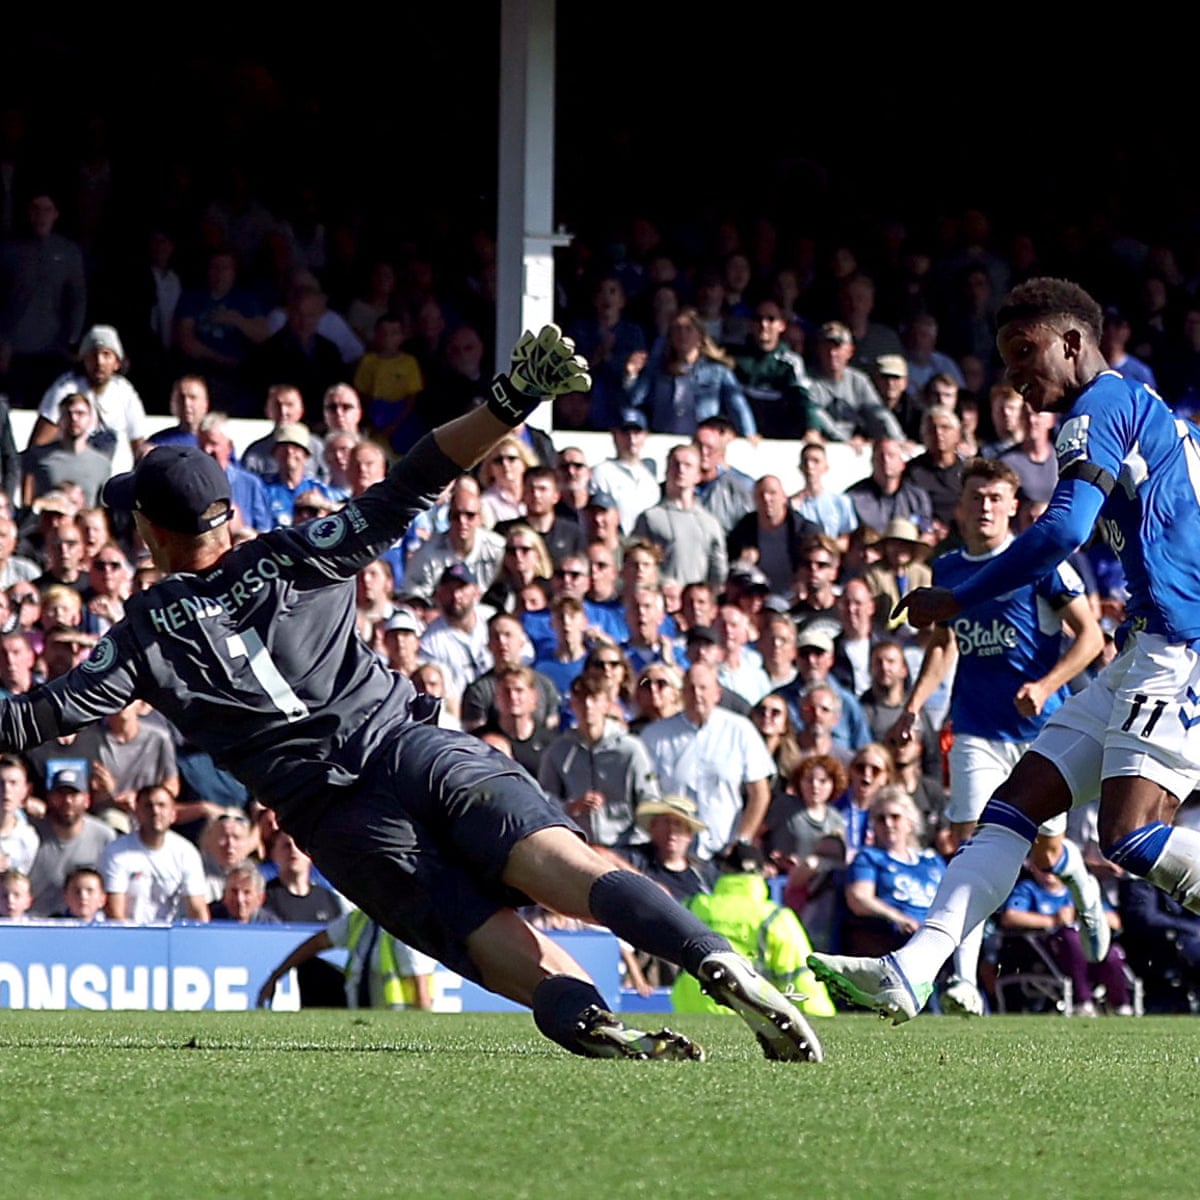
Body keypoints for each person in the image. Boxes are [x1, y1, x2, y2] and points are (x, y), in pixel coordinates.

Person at [0, 327, 821, 1063]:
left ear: (150, 529)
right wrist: (511, 402)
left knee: (490, 938)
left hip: (337, 818)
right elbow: (417, 477)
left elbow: (34, 717)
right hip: (411, 747)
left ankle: (597, 1024)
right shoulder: (295, 552)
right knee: (571, 866)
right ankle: (714, 958)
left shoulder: (143, 631)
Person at [808, 276, 1200, 1028]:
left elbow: (1062, 531)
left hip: (1180, 646)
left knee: (1130, 836)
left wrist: (958, 597)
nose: (1016, 377)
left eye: (1026, 352)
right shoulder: (1148, 412)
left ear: (1074, 343)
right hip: (1146, 645)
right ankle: (911, 970)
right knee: (1010, 810)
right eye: (1007, 359)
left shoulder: (1099, 408)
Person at [886, 455, 1107, 1015]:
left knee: (1044, 851)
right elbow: (944, 646)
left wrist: (1047, 683)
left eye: (995, 498)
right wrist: (913, 706)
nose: (985, 507)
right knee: (972, 844)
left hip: (1041, 730)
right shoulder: (947, 570)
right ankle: (963, 982)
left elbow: (1090, 638)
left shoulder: (1042, 560)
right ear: (960, 508)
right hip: (975, 728)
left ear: (1012, 507)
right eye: (975, 498)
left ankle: (1079, 879)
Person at [670, 842, 835, 1019]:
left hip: (691, 1016)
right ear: (762, 872)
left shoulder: (692, 907)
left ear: (724, 870)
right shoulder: (775, 918)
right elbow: (800, 977)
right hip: (751, 1021)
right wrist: (821, 1018)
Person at [258, 907, 437, 1011]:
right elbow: (316, 943)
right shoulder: (361, 919)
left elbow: (420, 986)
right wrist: (276, 976)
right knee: (310, 967)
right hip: (358, 1009)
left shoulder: (406, 929)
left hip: (396, 1017)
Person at [99, 783, 209, 923]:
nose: (155, 811)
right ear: (136, 813)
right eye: (148, 806)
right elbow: (114, 911)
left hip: (173, 933)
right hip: (128, 932)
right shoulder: (115, 852)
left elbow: (198, 909)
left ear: (173, 814)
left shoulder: (187, 853)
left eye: (162, 805)